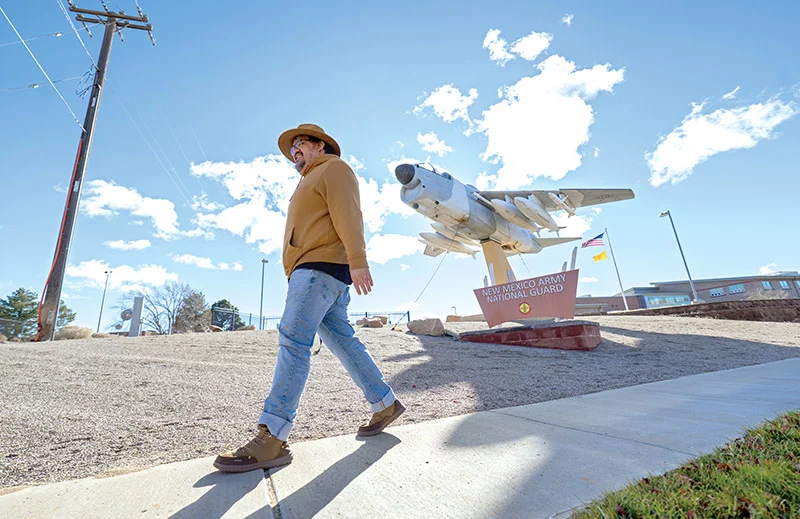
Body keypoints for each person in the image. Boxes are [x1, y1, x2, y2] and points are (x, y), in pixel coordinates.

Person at [214, 124, 405, 473]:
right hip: (314, 269)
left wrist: (358, 260)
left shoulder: (334, 169)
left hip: (319, 268)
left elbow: (349, 214)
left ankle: (272, 435)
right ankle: (385, 402)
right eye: (291, 150)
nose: (294, 152)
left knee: (293, 339)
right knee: (343, 342)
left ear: (320, 145)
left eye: (299, 144)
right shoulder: (308, 179)